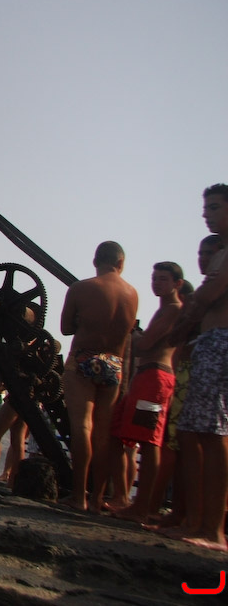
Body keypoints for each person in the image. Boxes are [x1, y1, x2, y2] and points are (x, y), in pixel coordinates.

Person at [166, 184, 228, 551]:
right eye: (206, 209)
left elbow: (207, 295)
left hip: (220, 341)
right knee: (192, 432)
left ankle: (213, 530)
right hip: (209, 341)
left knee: (213, 434)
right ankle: (193, 520)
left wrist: (186, 318)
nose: (207, 215)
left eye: (215, 208)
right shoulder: (222, 254)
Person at [60, 241, 139, 512]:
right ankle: (97, 499)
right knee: (103, 434)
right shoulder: (133, 294)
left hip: (84, 357)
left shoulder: (81, 288)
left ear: (95, 261)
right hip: (114, 364)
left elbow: (65, 327)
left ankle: (79, 496)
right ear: (121, 263)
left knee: (82, 426)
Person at [109, 262, 184, 523]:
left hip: (155, 379)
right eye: (154, 278)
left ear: (177, 284)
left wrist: (129, 330)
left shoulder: (173, 310)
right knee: (119, 433)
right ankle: (123, 497)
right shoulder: (164, 309)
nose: (156, 283)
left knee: (149, 441)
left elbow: (146, 344)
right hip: (146, 379)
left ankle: (142, 506)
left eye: (163, 279)